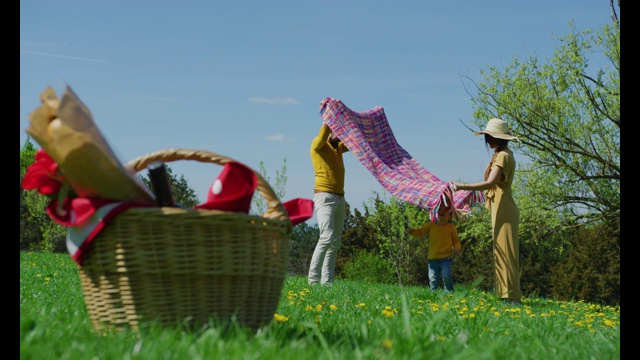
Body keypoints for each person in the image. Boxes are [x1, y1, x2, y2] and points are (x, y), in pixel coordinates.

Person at [451, 118, 521, 304]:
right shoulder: (500, 154)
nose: (487, 140)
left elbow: (490, 183)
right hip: (500, 204)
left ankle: (511, 297)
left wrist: (461, 186)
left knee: (506, 251)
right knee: (501, 251)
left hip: (504, 205)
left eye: (490, 136)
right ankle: (505, 295)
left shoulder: (503, 156)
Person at [308, 122, 349, 286]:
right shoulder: (318, 145)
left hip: (340, 198)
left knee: (335, 242)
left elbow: (355, 144)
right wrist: (330, 118)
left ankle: (327, 283)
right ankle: (312, 280)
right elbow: (324, 133)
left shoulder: (338, 147)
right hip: (324, 196)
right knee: (326, 237)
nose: (339, 136)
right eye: (336, 131)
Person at [406, 204, 461, 292]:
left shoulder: (451, 227)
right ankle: (434, 295)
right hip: (432, 258)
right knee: (433, 279)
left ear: (450, 214)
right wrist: (412, 231)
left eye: (445, 210)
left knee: (446, 276)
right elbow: (420, 232)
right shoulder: (431, 225)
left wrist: (457, 249)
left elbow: (456, 241)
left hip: (446, 258)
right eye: (439, 209)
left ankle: (449, 293)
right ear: (435, 212)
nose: (442, 211)